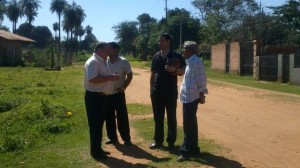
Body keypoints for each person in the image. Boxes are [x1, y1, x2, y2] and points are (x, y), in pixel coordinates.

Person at [149, 33, 186, 150]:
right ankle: (158, 141)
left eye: (162, 41)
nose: (160, 43)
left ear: (168, 41)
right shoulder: (156, 56)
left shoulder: (176, 56)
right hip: (157, 92)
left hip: (170, 92)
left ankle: (171, 141)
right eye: (159, 41)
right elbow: (153, 74)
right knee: (158, 117)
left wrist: (174, 69)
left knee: (171, 116)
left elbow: (183, 71)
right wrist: (151, 89)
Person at [83, 42, 120, 160]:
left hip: (101, 97)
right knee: (95, 126)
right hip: (94, 98)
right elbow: (93, 79)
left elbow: (103, 76)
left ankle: (98, 149)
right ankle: (95, 152)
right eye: (106, 50)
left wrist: (111, 77)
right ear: (99, 50)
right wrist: (110, 78)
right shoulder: (93, 62)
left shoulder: (102, 61)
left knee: (99, 125)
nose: (109, 52)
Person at [177, 41, 208, 162]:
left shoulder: (196, 62)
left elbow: (202, 80)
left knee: (188, 125)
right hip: (187, 97)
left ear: (190, 50)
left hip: (192, 98)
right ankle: (194, 149)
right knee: (191, 124)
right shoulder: (189, 62)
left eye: (184, 49)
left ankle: (186, 152)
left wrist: (202, 96)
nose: (183, 51)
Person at [105, 42, 133, 146]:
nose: (107, 51)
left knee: (122, 116)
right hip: (107, 94)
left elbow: (129, 75)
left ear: (116, 50)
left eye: (110, 49)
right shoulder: (104, 61)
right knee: (109, 117)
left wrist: (124, 87)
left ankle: (126, 138)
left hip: (118, 93)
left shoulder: (124, 61)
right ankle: (112, 138)